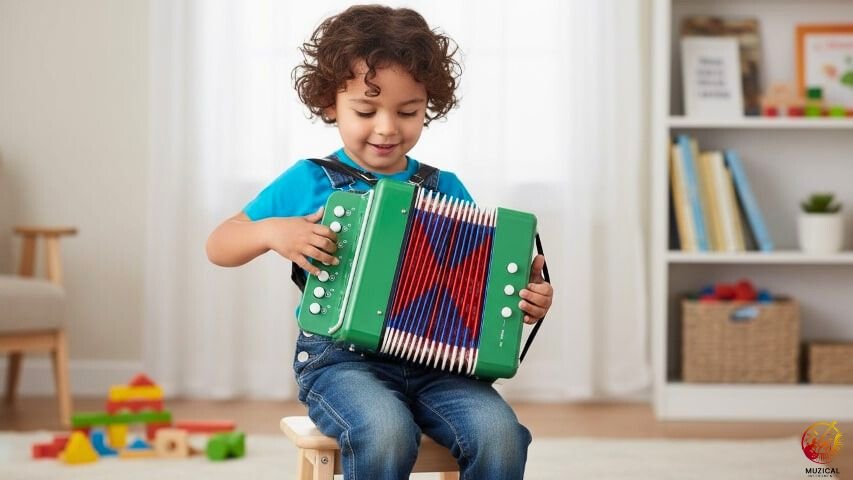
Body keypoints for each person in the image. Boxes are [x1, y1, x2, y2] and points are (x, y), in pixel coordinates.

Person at [206, 5, 553, 479]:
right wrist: (272, 233)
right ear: (330, 104)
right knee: (386, 432)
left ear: (428, 104)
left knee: (500, 435)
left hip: (441, 366)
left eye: (408, 112)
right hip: (342, 364)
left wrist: (526, 296)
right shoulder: (311, 180)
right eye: (366, 110)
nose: (388, 127)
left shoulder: (444, 187)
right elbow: (219, 243)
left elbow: (482, 285)